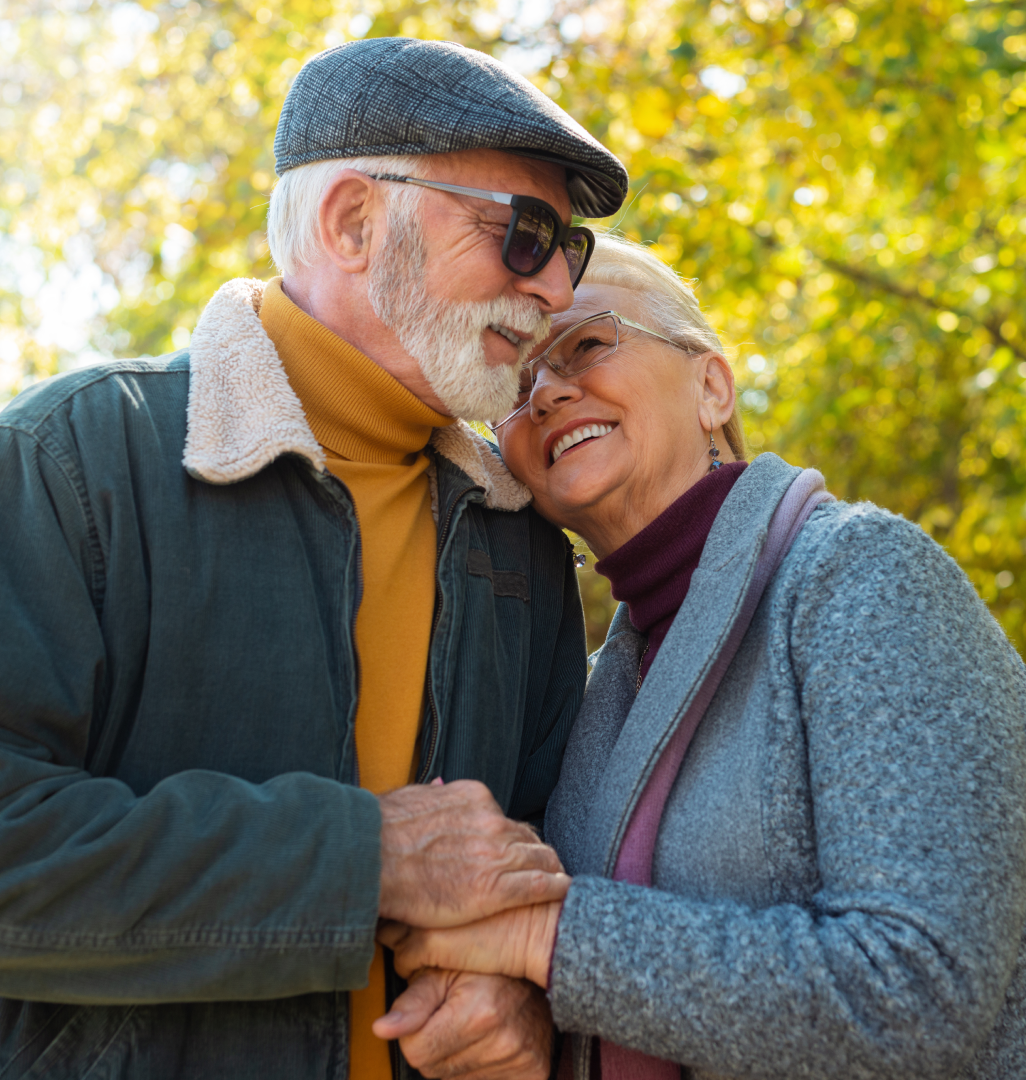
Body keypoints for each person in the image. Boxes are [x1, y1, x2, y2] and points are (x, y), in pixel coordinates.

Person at [0, 38, 629, 1080]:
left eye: (568, 251)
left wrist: (523, 993)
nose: (553, 288)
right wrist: (364, 859)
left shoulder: (520, 540)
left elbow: (546, 858)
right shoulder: (72, 459)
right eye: (524, 235)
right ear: (353, 222)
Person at [380, 233, 1026, 1079]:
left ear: (713, 387)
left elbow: (920, 992)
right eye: (517, 381)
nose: (546, 393)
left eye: (587, 344)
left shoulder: (862, 576)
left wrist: (544, 935)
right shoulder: (602, 687)